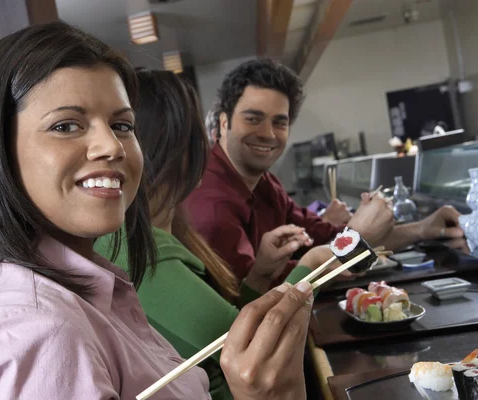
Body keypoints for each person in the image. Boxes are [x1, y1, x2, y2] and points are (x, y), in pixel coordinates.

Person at [0, 23, 315, 400]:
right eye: (66, 125)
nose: (112, 147)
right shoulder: (37, 334)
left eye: (122, 125)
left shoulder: (97, 288)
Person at [95, 70, 341, 399]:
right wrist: (310, 268)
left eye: (279, 123)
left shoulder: (161, 233)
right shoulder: (134, 250)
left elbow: (221, 329)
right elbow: (250, 348)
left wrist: (258, 275)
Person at [184, 59, 464, 284]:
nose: (268, 134)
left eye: (279, 122)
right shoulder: (211, 201)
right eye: (253, 118)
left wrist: (424, 228)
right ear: (223, 123)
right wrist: (354, 235)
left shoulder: (265, 184)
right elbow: (251, 296)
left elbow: (329, 237)